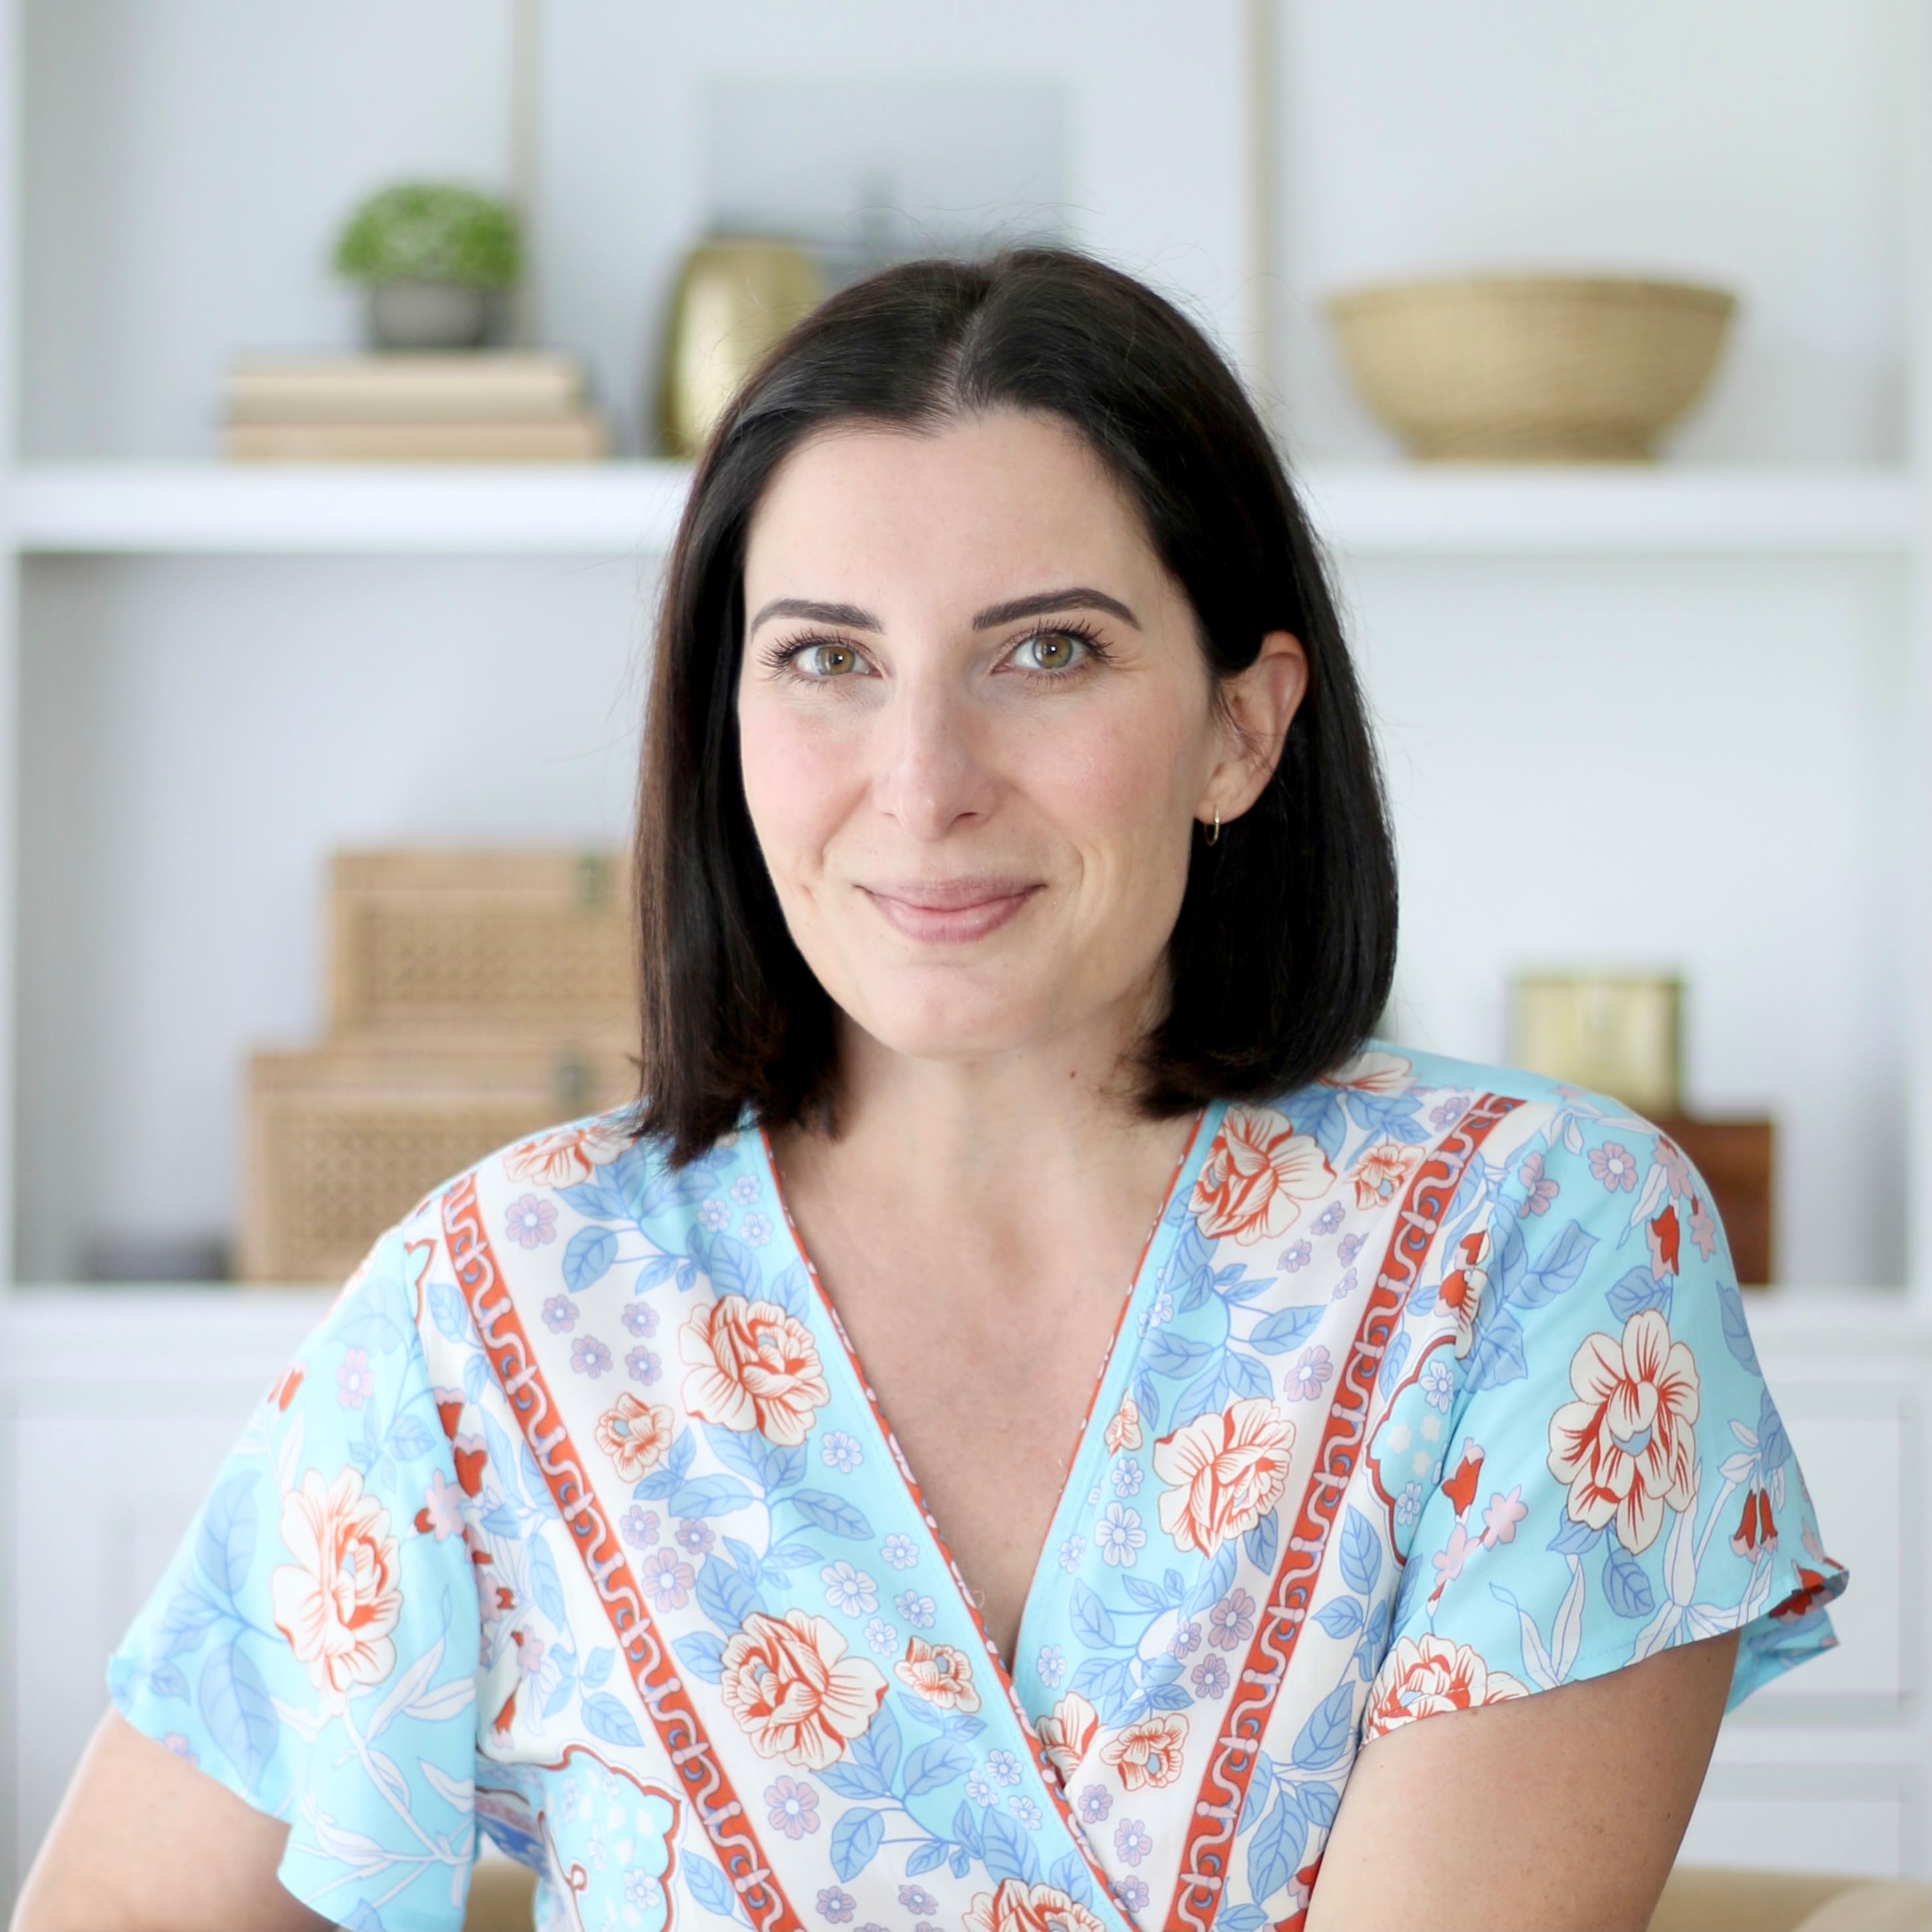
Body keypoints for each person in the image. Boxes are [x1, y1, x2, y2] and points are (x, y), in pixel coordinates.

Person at [17, 249, 1847, 1932]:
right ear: (726, 729)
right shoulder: (486, 1304)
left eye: (1048, 652)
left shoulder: (1540, 1251)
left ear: (1242, 726)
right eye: (826, 660)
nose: (922, 781)